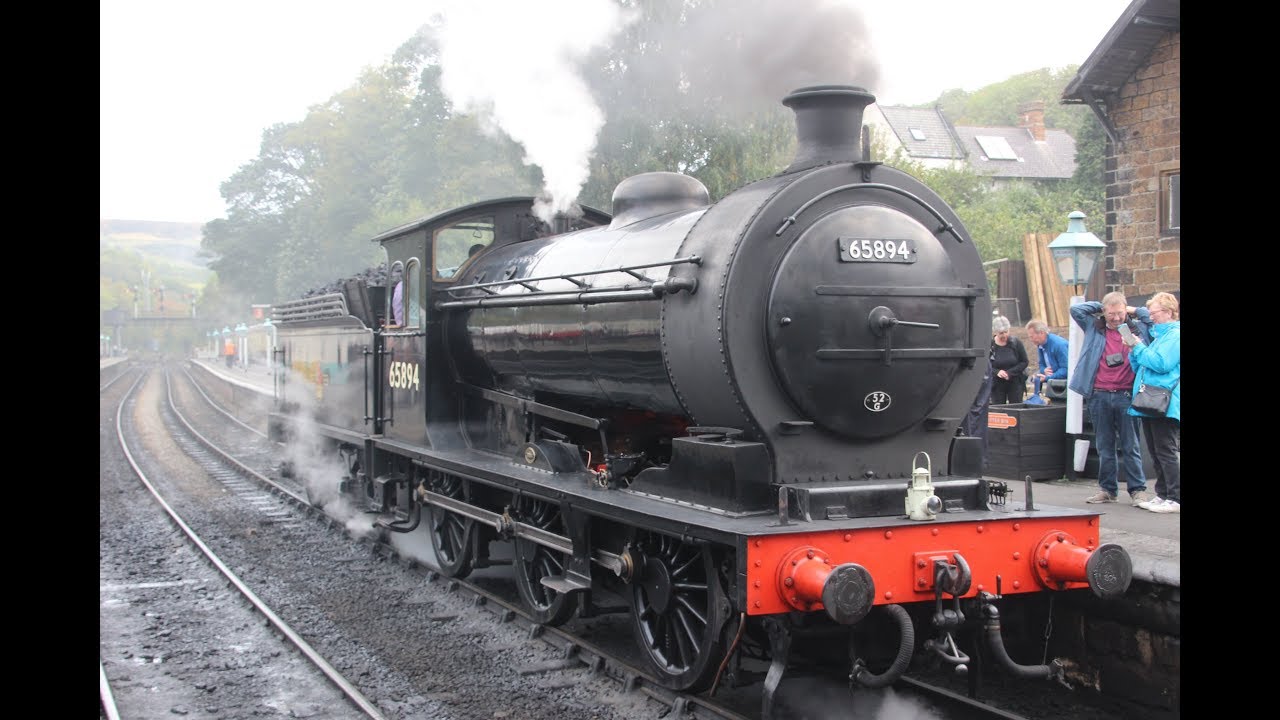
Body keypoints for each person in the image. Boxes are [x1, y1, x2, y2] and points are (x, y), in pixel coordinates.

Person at [1069, 291, 1153, 505]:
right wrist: (1102, 304)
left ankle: (1138, 490)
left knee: (1130, 445)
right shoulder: (1094, 327)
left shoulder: (1137, 328)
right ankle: (1108, 489)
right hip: (1099, 394)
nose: (1116, 318)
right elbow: (1076, 309)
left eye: (1120, 313)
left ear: (1126, 311)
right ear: (1103, 313)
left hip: (1127, 394)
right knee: (1104, 445)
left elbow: (1149, 316)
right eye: (1111, 314)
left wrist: (1133, 309)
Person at [1125, 292, 1180, 513]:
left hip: (1165, 402)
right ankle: (1163, 493)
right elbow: (1141, 367)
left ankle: (1175, 497)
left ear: (1167, 312)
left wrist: (1139, 348)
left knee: (1165, 450)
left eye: (1154, 312)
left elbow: (1161, 363)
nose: (1151, 317)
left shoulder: (1175, 335)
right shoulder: (1160, 336)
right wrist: (1133, 350)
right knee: (1156, 451)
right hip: (1150, 399)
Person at [988, 315, 1028, 405]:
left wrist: (1009, 373)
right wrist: (997, 372)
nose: (1004, 335)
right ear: (995, 332)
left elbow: (1024, 362)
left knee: (1016, 407)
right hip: (997, 384)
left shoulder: (1016, 343)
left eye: (1006, 332)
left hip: (1015, 382)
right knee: (999, 409)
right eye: (1001, 333)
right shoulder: (990, 345)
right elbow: (986, 364)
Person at [1025, 319, 1069, 388]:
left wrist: (1047, 377)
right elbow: (1041, 364)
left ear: (1041, 333)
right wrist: (1044, 370)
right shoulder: (1040, 344)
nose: (1031, 340)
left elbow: (1066, 369)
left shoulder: (1059, 345)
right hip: (1053, 383)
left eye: (1032, 337)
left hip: (1066, 385)